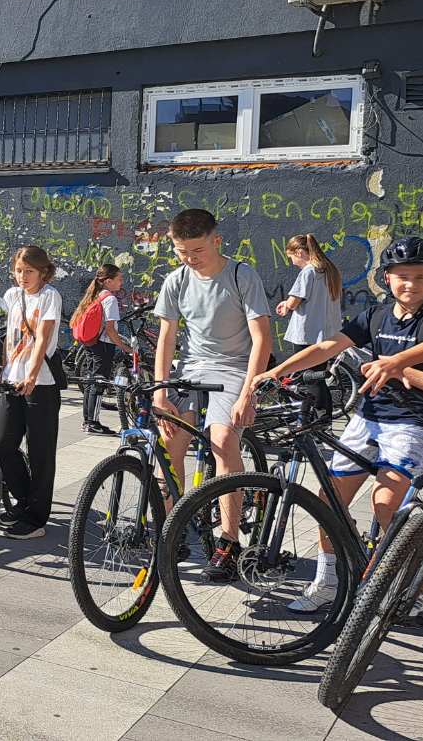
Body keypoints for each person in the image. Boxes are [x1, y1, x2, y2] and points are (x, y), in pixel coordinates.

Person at [253, 236, 423, 613]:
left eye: (420, 277)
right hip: (367, 417)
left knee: (385, 502)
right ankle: (328, 580)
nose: (410, 284)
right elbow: (328, 346)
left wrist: (401, 370)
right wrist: (277, 370)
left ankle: (406, 583)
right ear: (386, 278)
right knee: (329, 501)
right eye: (402, 276)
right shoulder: (374, 315)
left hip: (414, 423)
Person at [152, 208, 273, 580]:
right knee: (170, 441)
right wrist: (161, 389)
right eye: (182, 251)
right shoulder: (176, 279)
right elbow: (167, 338)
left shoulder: (241, 275)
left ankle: (229, 540)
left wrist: (248, 392)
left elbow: (262, 338)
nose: (189, 258)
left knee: (222, 440)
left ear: (216, 240)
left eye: (197, 251)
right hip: (190, 369)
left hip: (234, 368)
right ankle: (168, 530)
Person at [0, 245, 65, 540]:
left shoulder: (50, 297)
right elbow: (10, 337)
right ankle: (23, 501)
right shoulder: (13, 296)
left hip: (42, 384)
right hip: (12, 380)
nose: (23, 276)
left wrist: (32, 375)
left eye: (29, 271)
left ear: (43, 271)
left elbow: (42, 339)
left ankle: (36, 518)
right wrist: (6, 371)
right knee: (2, 444)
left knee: (40, 453)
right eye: (19, 270)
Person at [277, 233, 343, 416]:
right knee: (316, 377)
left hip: (307, 333)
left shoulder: (308, 271)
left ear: (299, 252)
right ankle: (320, 416)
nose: (291, 262)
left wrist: (285, 305)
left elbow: (295, 301)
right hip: (327, 333)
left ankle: (314, 417)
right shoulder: (330, 270)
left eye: (291, 257)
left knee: (308, 378)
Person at [72, 264, 134, 436]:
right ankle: (93, 422)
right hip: (104, 346)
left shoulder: (96, 296)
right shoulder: (110, 299)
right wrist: (124, 347)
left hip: (91, 344)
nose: (121, 282)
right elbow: (111, 330)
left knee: (91, 382)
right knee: (99, 384)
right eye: (119, 279)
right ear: (108, 281)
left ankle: (88, 421)